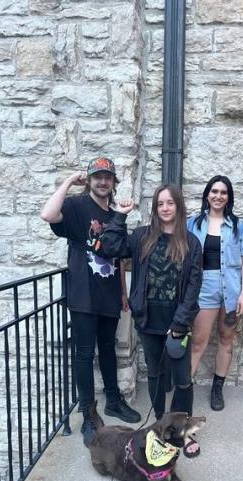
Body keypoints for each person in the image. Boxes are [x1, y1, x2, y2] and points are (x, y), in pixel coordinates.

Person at [40, 156, 142, 447]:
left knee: (108, 349)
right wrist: (69, 182)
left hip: (109, 293)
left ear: (113, 182)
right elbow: (48, 215)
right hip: (83, 293)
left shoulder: (115, 214)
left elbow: (120, 258)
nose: (102, 181)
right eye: (97, 176)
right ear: (90, 179)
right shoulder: (75, 206)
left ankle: (113, 400)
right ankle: (87, 415)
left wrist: (123, 292)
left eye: (107, 177)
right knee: (84, 354)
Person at [96, 184, 203, 440]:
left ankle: (183, 428)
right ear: (155, 208)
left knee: (182, 378)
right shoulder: (142, 236)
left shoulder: (191, 242)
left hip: (177, 323)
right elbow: (109, 247)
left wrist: (180, 322)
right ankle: (161, 424)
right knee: (154, 373)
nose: (165, 208)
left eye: (170, 203)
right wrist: (120, 216)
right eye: (160, 204)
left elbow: (193, 285)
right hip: (148, 320)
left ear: (178, 206)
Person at [185, 176, 243, 411]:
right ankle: (184, 389)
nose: (218, 196)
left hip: (232, 291)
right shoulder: (193, 224)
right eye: (214, 191)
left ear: (229, 197)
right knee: (198, 342)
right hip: (203, 289)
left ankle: (217, 388)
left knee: (226, 340)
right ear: (207, 195)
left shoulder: (240, 227)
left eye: (223, 192)